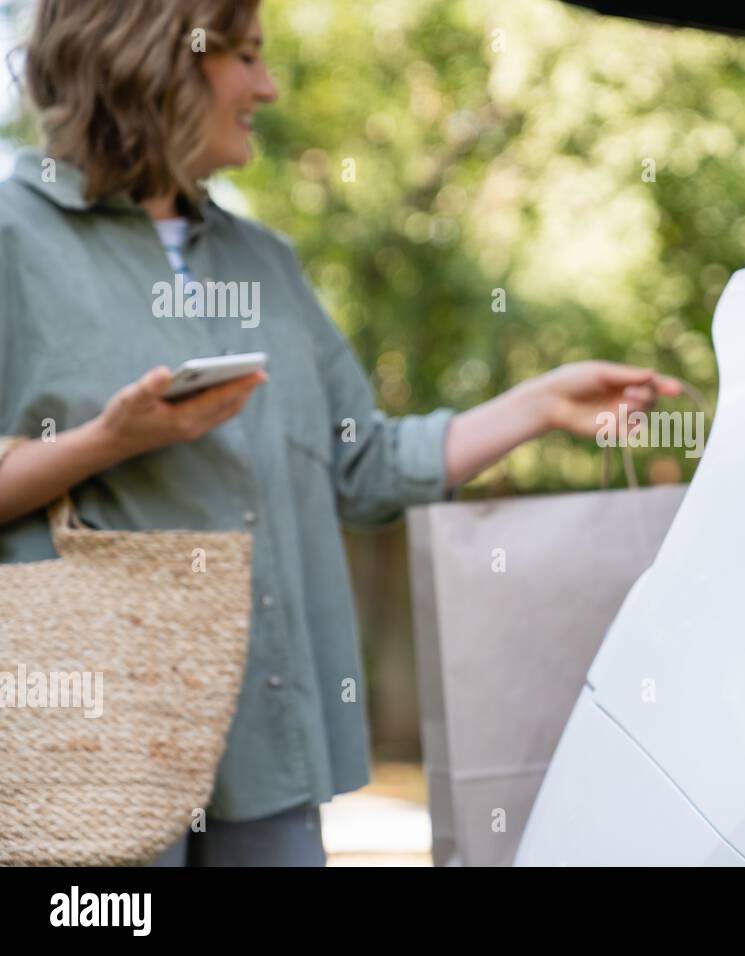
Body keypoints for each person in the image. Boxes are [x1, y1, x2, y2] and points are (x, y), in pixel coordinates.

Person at [0, 0, 679, 866]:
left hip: (265, 755)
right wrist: (109, 441)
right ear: (154, 57)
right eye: (244, 56)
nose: (268, 87)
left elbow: (365, 465)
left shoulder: (265, 263)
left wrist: (540, 404)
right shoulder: (14, 237)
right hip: (89, 753)